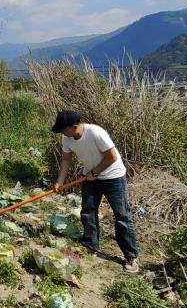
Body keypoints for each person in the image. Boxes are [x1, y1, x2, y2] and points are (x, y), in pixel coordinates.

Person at [51, 110, 140, 273]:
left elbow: (112, 156)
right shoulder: (67, 138)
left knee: (122, 216)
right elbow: (66, 159)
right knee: (88, 211)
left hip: (113, 176)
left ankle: (131, 257)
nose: (62, 133)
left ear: (75, 126)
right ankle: (90, 245)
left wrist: (96, 172)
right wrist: (60, 181)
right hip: (90, 177)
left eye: (64, 129)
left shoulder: (96, 132)